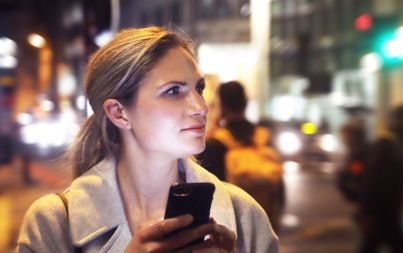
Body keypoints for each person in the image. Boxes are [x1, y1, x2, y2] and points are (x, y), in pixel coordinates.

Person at [17, 27, 278, 253]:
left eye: (199, 89)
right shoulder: (52, 222)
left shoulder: (244, 215)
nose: (200, 106)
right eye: (173, 91)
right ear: (119, 113)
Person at [197, 81, 283, 233]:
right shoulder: (263, 137)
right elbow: (279, 184)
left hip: (233, 224)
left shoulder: (215, 142)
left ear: (221, 105)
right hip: (264, 218)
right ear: (245, 103)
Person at [357, 104, 403, 253]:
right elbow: (372, 181)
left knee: (369, 247)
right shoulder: (387, 146)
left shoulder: (393, 145)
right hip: (384, 216)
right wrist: (366, 212)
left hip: (385, 215)